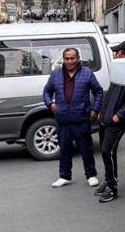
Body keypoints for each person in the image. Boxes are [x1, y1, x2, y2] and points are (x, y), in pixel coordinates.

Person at [42, 47, 103, 188]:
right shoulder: (56, 74)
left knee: (86, 149)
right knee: (64, 149)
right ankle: (64, 176)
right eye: (67, 58)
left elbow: (99, 92)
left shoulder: (87, 74)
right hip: (63, 119)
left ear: (78, 59)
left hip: (81, 119)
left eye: (72, 58)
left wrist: (95, 110)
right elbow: (46, 91)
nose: (70, 61)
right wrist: (50, 104)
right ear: (63, 60)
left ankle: (91, 175)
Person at [95, 41, 125, 203]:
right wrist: (102, 112)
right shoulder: (119, 70)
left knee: (108, 151)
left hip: (116, 121)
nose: (115, 55)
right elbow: (110, 93)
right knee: (105, 151)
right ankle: (108, 180)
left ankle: (112, 188)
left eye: (118, 52)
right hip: (107, 118)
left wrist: (119, 116)